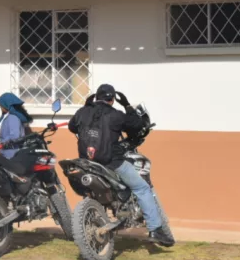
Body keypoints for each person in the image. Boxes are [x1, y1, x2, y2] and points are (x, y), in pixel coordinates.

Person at [68, 83, 175, 247]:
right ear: (112, 99)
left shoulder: (82, 112)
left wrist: (85, 111)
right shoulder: (116, 114)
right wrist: (127, 106)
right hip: (111, 163)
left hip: (86, 163)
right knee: (142, 188)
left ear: (96, 97)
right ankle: (155, 230)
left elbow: (72, 127)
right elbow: (136, 126)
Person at [0, 92, 32, 159]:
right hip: (6, 152)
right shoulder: (6, 116)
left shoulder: (13, 118)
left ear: (6, 104)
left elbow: (14, 136)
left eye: (1, 103)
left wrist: (2, 143)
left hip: (11, 154)